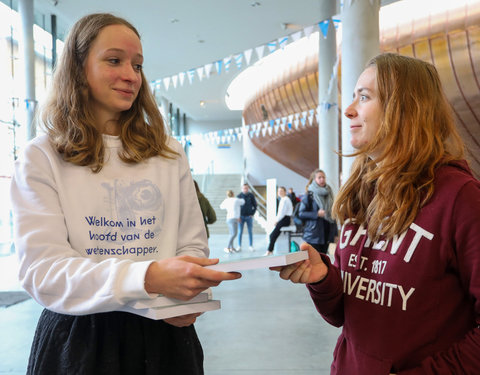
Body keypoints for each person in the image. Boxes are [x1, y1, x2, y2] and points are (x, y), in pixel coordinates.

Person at [9, 13, 241, 375]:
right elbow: (44, 271)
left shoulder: (168, 151)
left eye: (137, 65)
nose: (131, 76)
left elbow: (192, 245)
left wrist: (187, 296)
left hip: (164, 332)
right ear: (77, 66)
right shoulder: (42, 156)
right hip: (79, 338)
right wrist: (146, 277)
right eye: (114, 60)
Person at [271, 53, 480, 374]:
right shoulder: (361, 192)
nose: (349, 110)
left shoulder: (459, 197)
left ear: (406, 108)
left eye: (364, 97)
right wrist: (324, 279)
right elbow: (344, 314)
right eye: (353, 97)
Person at [298, 169, 337, 255]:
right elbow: (301, 213)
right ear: (314, 179)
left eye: (323, 177)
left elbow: (333, 214)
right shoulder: (309, 194)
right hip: (313, 235)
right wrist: (317, 214)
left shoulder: (329, 193)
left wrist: (335, 233)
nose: (322, 179)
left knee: (323, 260)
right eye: (319, 177)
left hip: (326, 233)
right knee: (313, 261)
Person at [265, 186, 293, 256]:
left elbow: (282, 213)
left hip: (285, 219)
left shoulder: (284, 199)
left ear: (285, 192)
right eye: (278, 191)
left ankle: (269, 251)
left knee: (272, 235)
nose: (279, 192)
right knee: (272, 235)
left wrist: (276, 221)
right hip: (285, 219)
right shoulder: (285, 199)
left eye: (281, 191)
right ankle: (270, 251)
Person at [237, 183, 257, 251]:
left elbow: (255, 205)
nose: (245, 189)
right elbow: (236, 208)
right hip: (241, 217)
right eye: (244, 188)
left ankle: (251, 246)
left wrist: (252, 214)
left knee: (250, 231)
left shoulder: (251, 195)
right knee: (240, 232)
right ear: (242, 188)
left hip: (249, 217)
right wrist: (238, 216)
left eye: (246, 188)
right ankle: (239, 246)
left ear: (248, 188)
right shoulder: (239, 196)